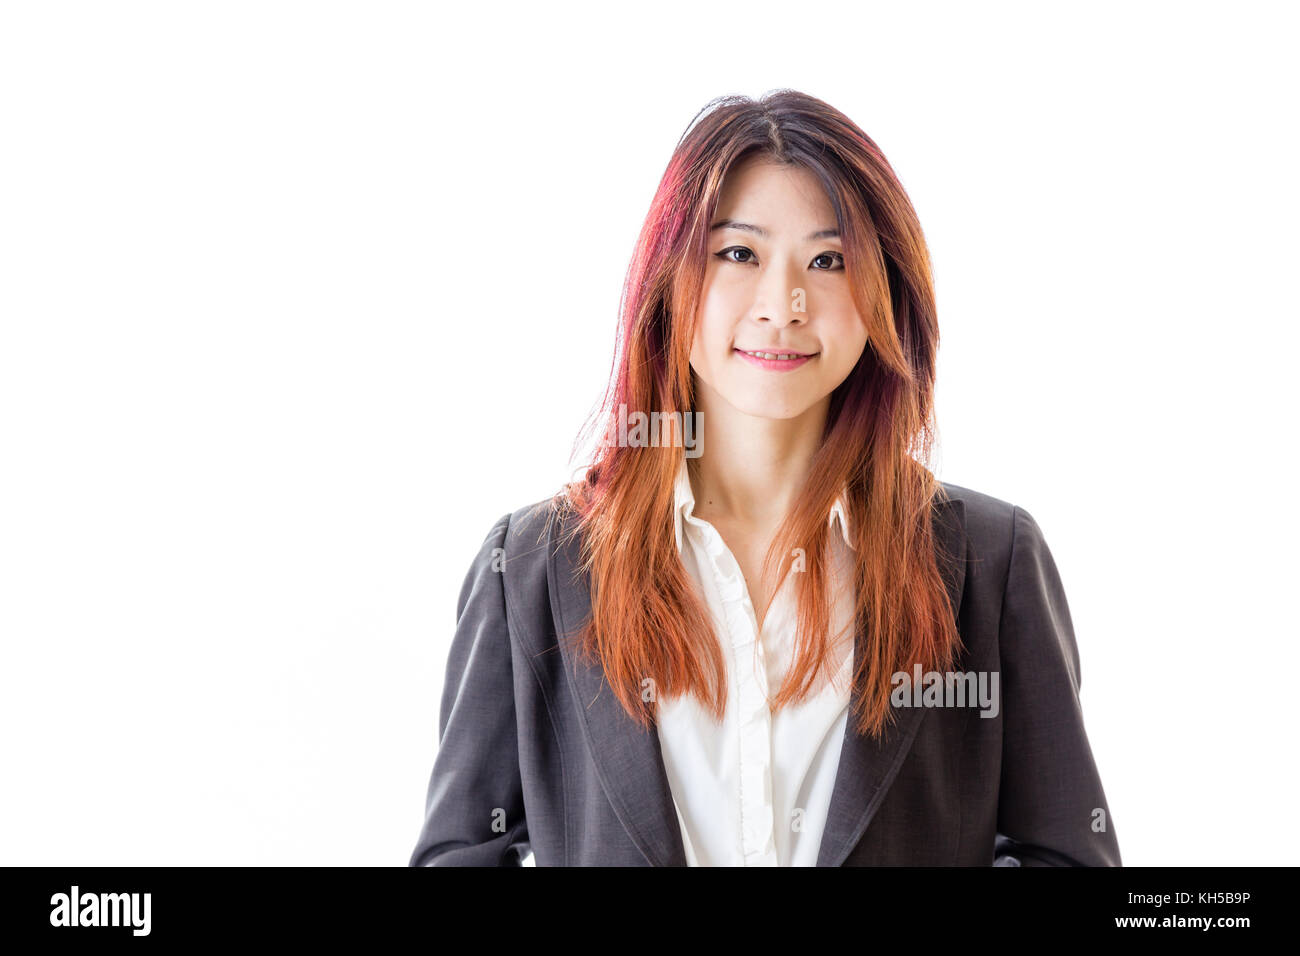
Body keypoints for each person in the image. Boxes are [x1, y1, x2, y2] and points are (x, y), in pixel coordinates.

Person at [408, 89, 1121, 867]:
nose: (782, 306)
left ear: (884, 293)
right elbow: (461, 855)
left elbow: (1070, 857)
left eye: (827, 261)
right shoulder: (535, 568)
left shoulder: (989, 560)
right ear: (669, 283)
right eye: (738, 254)